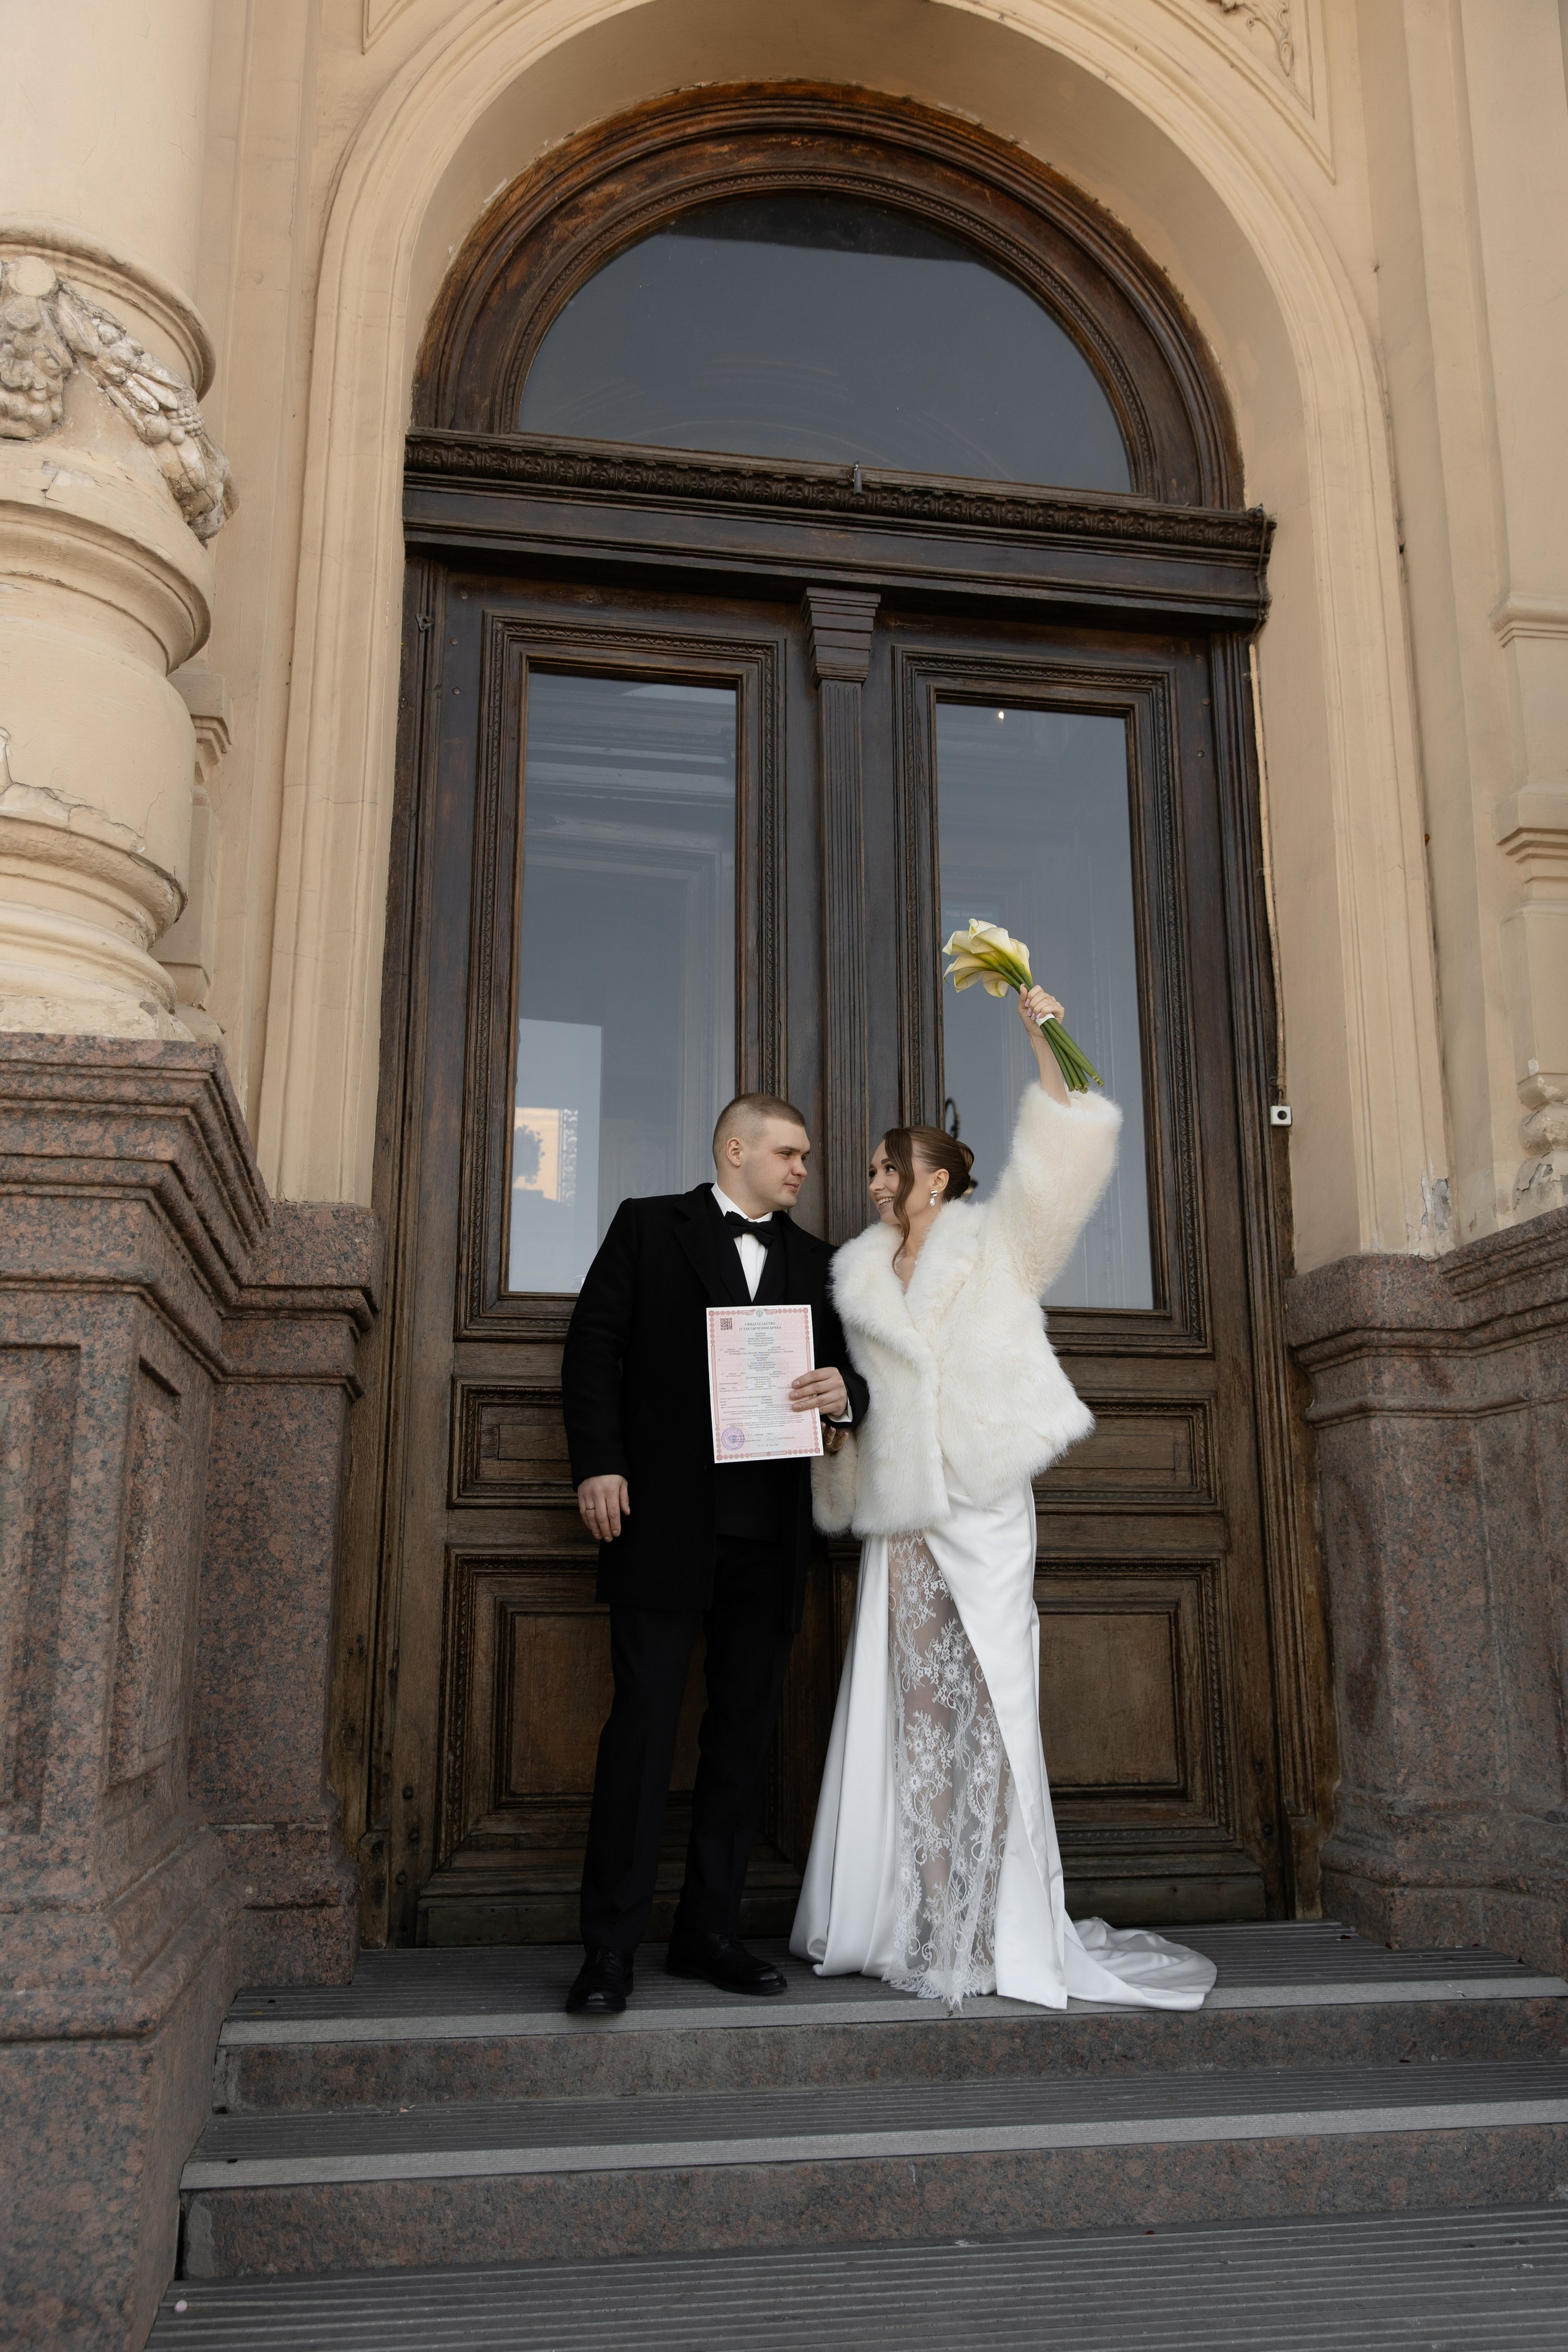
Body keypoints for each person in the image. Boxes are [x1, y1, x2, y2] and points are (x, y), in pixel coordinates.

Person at [793, 986, 1215, 2012]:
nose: (874, 1178)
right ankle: (932, 1921)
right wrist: (839, 1412)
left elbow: (1065, 1158)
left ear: (933, 1180)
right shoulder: (856, 1274)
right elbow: (876, 1398)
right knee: (918, 1712)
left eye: (889, 1166)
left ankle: (1008, 1925)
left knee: (995, 1702)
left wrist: (1046, 1039)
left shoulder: (999, 1246)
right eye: (877, 1169)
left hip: (982, 1504)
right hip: (902, 1513)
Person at [562, 1092, 870, 2017]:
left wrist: (843, 1395)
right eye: (789, 1152)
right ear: (735, 1149)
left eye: (807, 1156)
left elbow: (862, 1375)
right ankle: (608, 1952)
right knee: (643, 1733)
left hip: (770, 1537)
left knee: (740, 1743)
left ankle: (710, 1934)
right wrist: (599, 1467)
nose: (803, 1168)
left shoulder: (819, 1262)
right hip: (659, 1522)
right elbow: (591, 1350)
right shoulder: (648, 1228)